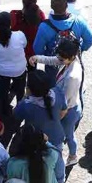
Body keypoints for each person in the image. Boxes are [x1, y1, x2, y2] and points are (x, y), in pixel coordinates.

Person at [30, 36, 84, 166]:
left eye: (62, 58)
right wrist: (37, 58)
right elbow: (53, 60)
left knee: (69, 135)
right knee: (68, 133)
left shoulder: (72, 76)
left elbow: (65, 102)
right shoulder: (70, 60)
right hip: (70, 106)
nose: (59, 59)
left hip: (69, 111)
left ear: (70, 57)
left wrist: (56, 118)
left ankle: (73, 155)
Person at [0, 12, 28, 116]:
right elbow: (25, 45)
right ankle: (20, 110)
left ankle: (5, 110)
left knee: (3, 91)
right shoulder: (19, 35)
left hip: (0, 71)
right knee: (20, 91)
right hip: (19, 70)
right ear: (10, 24)